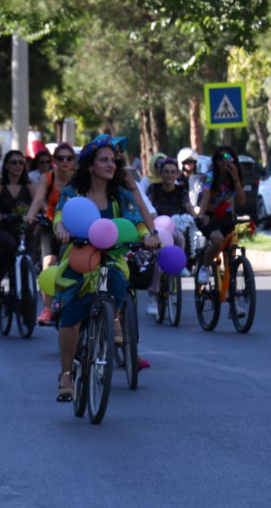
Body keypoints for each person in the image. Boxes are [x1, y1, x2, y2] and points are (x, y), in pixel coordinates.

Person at [53, 137, 160, 401]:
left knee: (116, 280)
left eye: (113, 160)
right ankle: (66, 374)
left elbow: (135, 220)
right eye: (104, 159)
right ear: (90, 165)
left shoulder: (119, 193)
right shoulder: (73, 192)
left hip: (111, 255)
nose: (110, 164)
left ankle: (111, 320)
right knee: (71, 312)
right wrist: (62, 230)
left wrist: (147, 235)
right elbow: (60, 217)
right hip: (80, 256)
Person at [25, 143, 74, 324]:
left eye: (68, 158)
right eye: (60, 158)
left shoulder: (78, 178)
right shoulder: (48, 177)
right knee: (48, 263)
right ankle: (47, 308)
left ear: (73, 161)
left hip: (75, 225)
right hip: (51, 223)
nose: (64, 161)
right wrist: (30, 215)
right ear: (55, 160)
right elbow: (38, 199)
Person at [145, 157, 197, 316]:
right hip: (157, 229)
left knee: (180, 237)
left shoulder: (182, 190)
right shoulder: (153, 189)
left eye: (173, 172)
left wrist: (196, 216)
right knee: (156, 260)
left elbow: (187, 205)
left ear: (177, 174)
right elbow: (147, 206)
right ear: (160, 173)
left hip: (174, 227)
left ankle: (179, 265)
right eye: (166, 172)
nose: (169, 175)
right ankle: (153, 297)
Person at [0, 150, 37, 293]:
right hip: (2, 227)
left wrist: (47, 213)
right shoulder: (0, 183)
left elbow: (39, 202)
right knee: (8, 246)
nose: (18, 166)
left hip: (24, 229)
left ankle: (25, 293)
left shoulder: (29, 183)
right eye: (14, 162)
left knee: (30, 252)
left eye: (21, 163)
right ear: (7, 165)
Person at [195, 146, 246, 285]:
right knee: (218, 241)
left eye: (229, 158)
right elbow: (205, 197)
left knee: (230, 247)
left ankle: (230, 284)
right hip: (209, 214)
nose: (225, 162)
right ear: (215, 162)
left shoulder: (235, 177)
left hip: (226, 216)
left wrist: (235, 178)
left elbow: (241, 201)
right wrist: (202, 214)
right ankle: (205, 268)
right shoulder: (210, 176)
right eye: (221, 159)